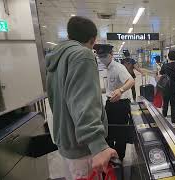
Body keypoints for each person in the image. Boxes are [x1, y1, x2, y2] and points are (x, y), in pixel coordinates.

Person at [46, 16, 117, 180]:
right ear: (93, 40)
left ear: (70, 36)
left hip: (66, 142)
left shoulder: (57, 58)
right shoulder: (82, 56)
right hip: (83, 147)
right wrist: (98, 146)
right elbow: (83, 104)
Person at [94, 44, 135, 161]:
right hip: (111, 103)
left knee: (120, 132)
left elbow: (131, 81)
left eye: (105, 55)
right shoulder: (105, 68)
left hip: (121, 105)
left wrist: (121, 90)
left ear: (111, 55)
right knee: (109, 130)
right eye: (100, 56)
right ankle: (111, 156)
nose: (102, 58)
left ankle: (119, 158)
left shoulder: (118, 67)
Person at [160, 50, 175, 128]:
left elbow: (161, 73)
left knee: (165, 103)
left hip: (166, 87)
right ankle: (173, 122)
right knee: (174, 104)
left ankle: (164, 117)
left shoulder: (165, 65)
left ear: (168, 56)